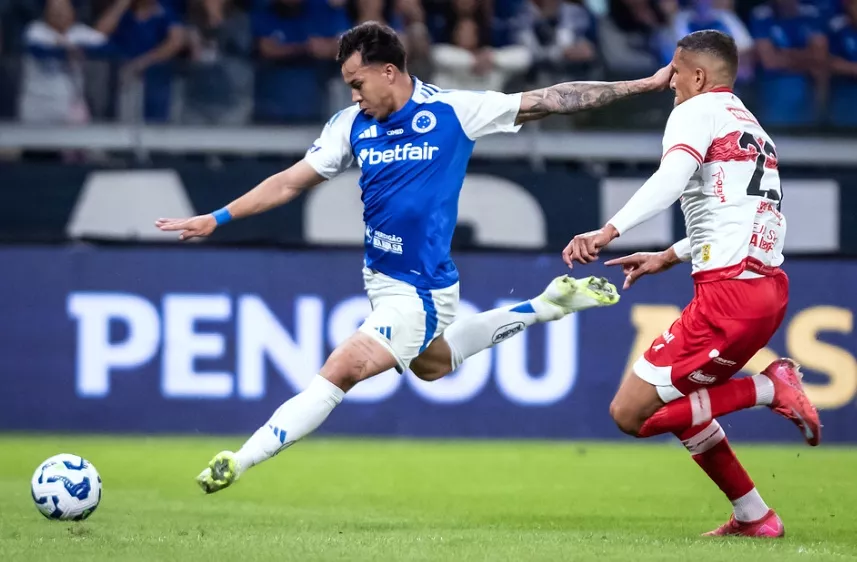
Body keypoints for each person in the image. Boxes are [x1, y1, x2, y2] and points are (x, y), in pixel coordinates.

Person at [156, 21, 672, 494]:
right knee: (432, 364)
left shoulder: (453, 111)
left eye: (358, 84)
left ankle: (241, 459)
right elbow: (290, 181)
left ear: (389, 72)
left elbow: (552, 99)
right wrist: (217, 218)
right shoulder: (349, 125)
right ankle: (548, 305)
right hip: (381, 279)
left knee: (344, 366)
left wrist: (643, 86)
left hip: (419, 292)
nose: (354, 96)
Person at [563, 30, 821, 538]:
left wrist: (608, 229)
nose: (670, 82)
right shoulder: (753, 128)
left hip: (729, 299)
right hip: (763, 290)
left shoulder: (694, 112)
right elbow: (736, 216)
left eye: (676, 72)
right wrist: (669, 254)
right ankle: (755, 516)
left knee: (630, 413)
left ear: (698, 76)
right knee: (680, 410)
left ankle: (770, 386)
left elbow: (670, 178)